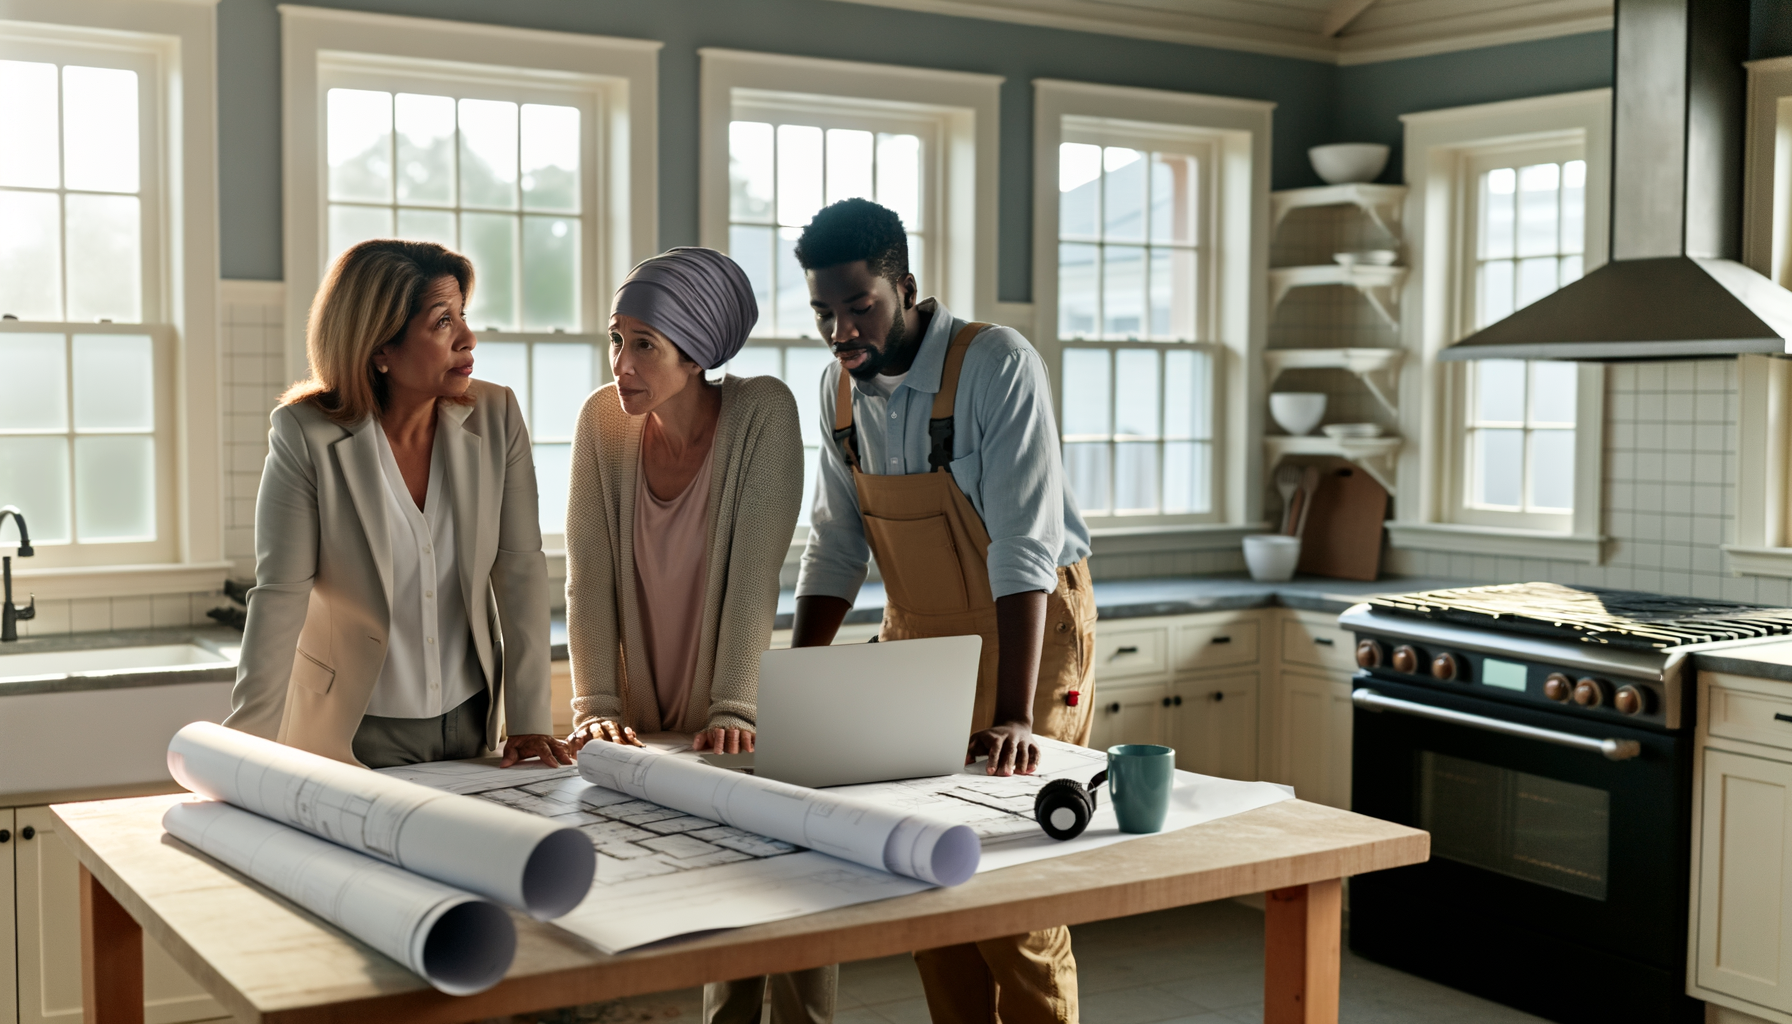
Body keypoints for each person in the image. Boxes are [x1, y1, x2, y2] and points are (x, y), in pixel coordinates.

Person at [790, 199, 1097, 1024]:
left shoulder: (994, 363)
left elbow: (1024, 547)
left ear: (905, 287)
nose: (841, 330)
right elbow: (836, 548)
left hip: (1029, 632)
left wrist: (1014, 720)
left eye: (860, 307)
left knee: (1016, 895)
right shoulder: (838, 393)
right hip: (918, 636)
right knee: (929, 882)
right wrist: (795, 686)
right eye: (823, 312)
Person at [560, 247, 824, 1023]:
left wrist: (734, 709)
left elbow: (755, 579)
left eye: (645, 343)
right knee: (710, 918)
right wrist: (595, 703)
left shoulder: (762, 414)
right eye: (617, 338)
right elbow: (589, 578)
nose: (622, 363)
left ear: (697, 349)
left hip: (740, 713)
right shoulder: (602, 423)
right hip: (643, 716)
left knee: (788, 919)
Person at [226, 239, 569, 770]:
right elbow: (280, 598)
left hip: (472, 722)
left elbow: (520, 569)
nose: (468, 338)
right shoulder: (305, 434)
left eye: (463, 317)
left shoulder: (496, 415)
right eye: (441, 323)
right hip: (353, 728)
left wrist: (529, 722)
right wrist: (240, 755)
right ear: (379, 347)